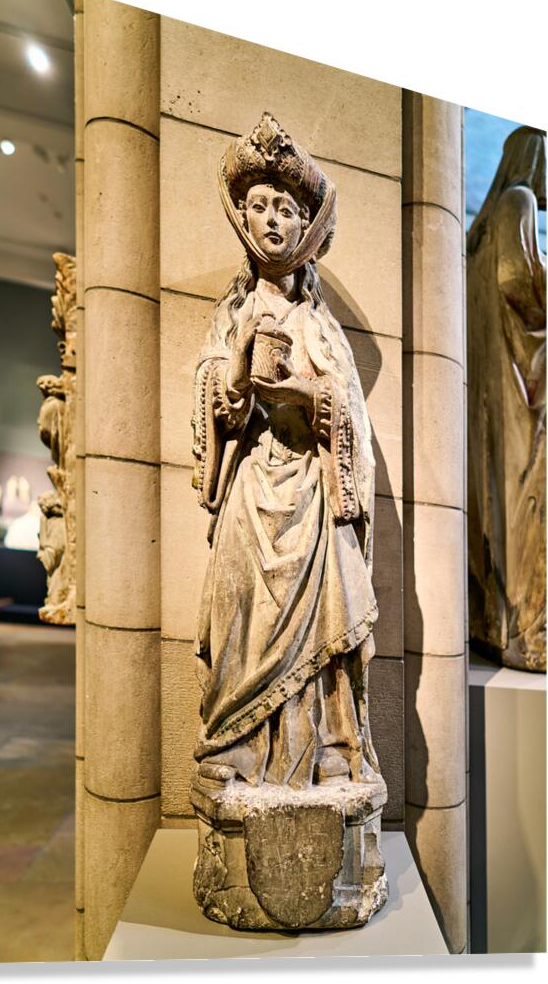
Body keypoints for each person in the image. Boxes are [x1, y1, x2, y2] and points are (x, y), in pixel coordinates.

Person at [191, 114, 383, 788]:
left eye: (286, 209)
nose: (272, 219)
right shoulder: (232, 311)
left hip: (310, 489)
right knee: (240, 606)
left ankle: (332, 749)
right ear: (244, 218)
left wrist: (304, 391)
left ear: (306, 225)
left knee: (331, 603)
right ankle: (237, 745)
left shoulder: (319, 325)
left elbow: (346, 412)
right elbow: (213, 394)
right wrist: (239, 373)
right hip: (250, 487)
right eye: (261, 206)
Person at [467, 125, 546, 671]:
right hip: (519, 391)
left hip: (496, 389)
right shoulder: (517, 201)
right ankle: (527, 631)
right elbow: (522, 281)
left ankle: (496, 623)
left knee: (497, 503)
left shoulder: (482, 224)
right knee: (526, 503)